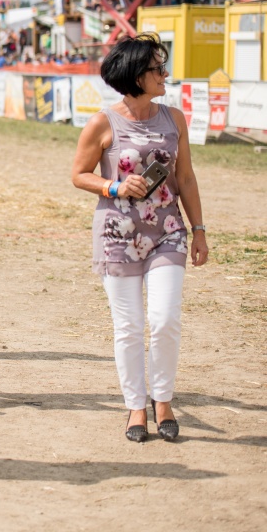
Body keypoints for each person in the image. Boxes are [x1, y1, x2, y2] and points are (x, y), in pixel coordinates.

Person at [70, 33, 208, 443]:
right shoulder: (102, 122)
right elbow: (78, 174)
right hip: (117, 235)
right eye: (157, 68)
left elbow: (185, 177)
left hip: (168, 232)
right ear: (135, 76)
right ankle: (135, 407)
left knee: (164, 319)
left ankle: (162, 400)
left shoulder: (174, 118)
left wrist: (199, 230)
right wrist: (114, 186)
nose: (165, 74)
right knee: (129, 326)